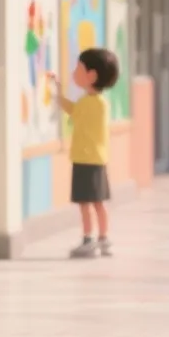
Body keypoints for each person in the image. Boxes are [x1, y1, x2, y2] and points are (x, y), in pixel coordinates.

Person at [52, 47, 119, 258]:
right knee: (98, 202)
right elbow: (74, 111)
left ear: (91, 75)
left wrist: (58, 96)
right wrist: (59, 94)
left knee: (86, 204)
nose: (74, 73)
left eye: (78, 69)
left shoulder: (91, 103)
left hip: (85, 159)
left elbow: (74, 112)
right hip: (96, 159)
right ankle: (103, 238)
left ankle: (89, 239)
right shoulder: (98, 103)